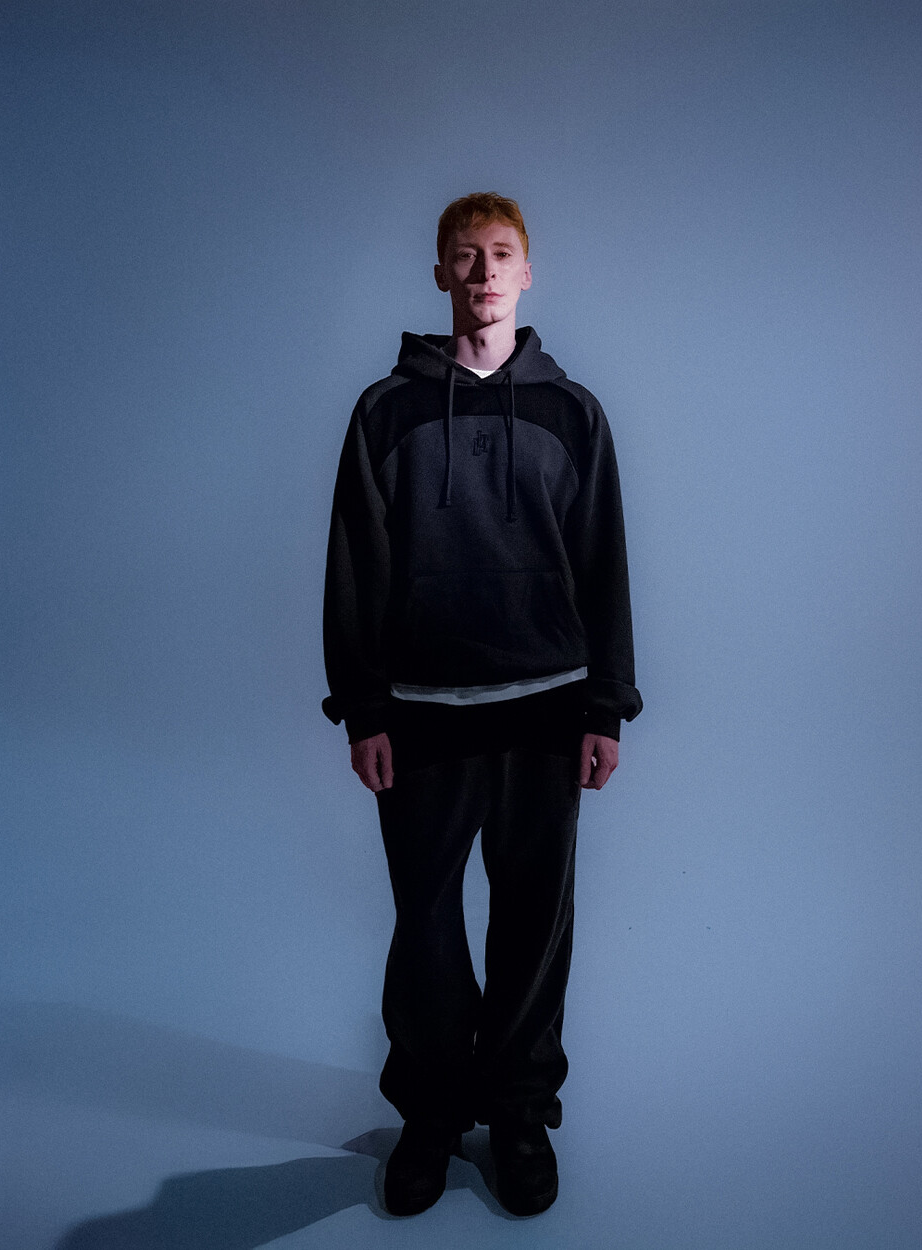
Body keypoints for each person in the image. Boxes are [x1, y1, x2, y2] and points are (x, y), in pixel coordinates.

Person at [323, 192, 641, 1217]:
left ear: (527, 272)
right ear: (439, 275)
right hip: (422, 711)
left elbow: (604, 565)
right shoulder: (386, 411)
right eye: (465, 255)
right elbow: (354, 567)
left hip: (547, 707)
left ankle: (516, 1113)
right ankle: (430, 1113)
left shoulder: (571, 412)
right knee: (425, 925)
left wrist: (606, 706)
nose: (484, 271)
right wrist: (364, 708)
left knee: (534, 924)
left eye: (501, 253)